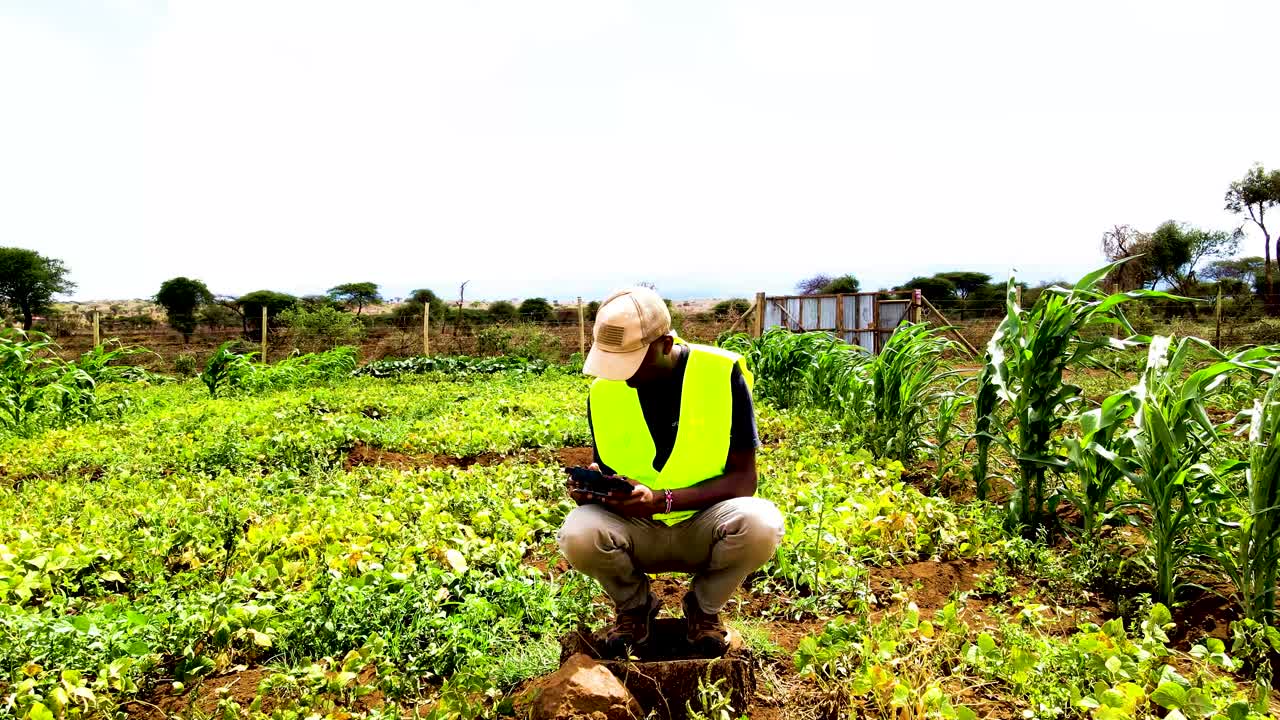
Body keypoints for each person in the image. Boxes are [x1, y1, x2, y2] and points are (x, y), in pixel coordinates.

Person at [556, 287, 785, 657]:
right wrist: (596, 492)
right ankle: (635, 608)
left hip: (704, 524)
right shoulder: (605, 392)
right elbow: (608, 465)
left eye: (632, 361)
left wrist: (662, 501)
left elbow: (745, 481)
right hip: (639, 529)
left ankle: (703, 609)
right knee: (579, 531)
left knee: (762, 523)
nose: (623, 376)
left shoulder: (720, 374)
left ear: (664, 344)